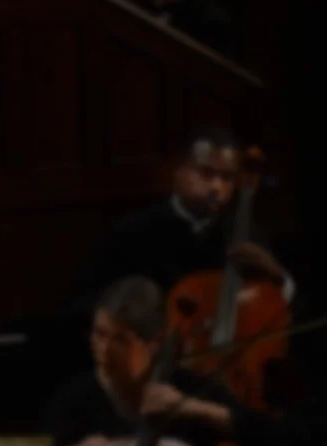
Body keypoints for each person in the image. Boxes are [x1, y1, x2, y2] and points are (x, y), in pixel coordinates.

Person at [46, 276, 285, 446]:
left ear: (155, 343)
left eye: (120, 340)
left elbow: (270, 436)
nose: (104, 349)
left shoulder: (187, 390)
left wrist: (193, 408)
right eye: (99, 334)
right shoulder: (75, 398)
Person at [77, 126, 292, 310]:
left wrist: (278, 277)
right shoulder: (130, 233)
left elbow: (286, 307)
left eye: (227, 177)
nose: (217, 187)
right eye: (206, 173)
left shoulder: (246, 234)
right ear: (178, 171)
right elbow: (91, 305)